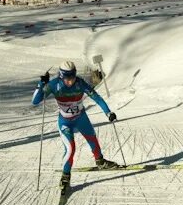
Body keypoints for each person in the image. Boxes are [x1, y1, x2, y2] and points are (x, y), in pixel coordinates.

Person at [32, 60, 119, 194]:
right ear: (61, 76)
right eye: (67, 79)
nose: (70, 81)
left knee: (92, 138)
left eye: (72, 78)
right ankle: (65, 177)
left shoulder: (79, 83)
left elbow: (97, 97)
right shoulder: (54, 84)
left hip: (81, 119)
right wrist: (41, 84)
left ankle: (100, 161)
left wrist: (108, 112)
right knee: (71, 148)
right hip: (65, 122)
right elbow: (35, 101)